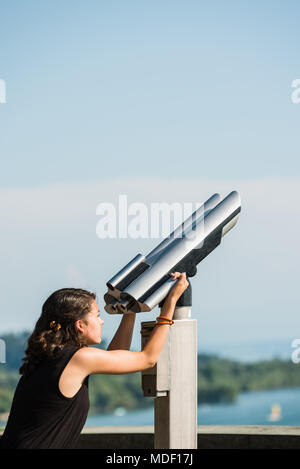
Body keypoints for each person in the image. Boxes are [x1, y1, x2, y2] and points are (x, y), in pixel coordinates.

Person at [0, 272, 188, 449]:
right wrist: (170, 302)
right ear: (80, 325)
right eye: (97, 316)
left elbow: (115, 356)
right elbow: (147, 359)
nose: (102, 322)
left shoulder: (53, 356)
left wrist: (130, 312)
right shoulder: (79, 358)